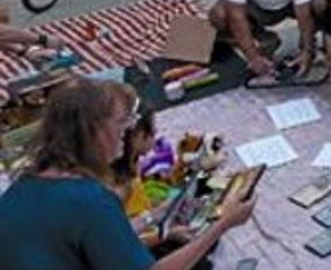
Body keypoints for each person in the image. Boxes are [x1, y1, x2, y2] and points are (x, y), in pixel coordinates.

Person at [0, 80, 256, 270]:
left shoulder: (27, 181)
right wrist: (223, 223)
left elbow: (101, 245)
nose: (126, 133)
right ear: (93, 131)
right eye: (122, 123)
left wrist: (156, 220)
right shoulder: (91, 199)